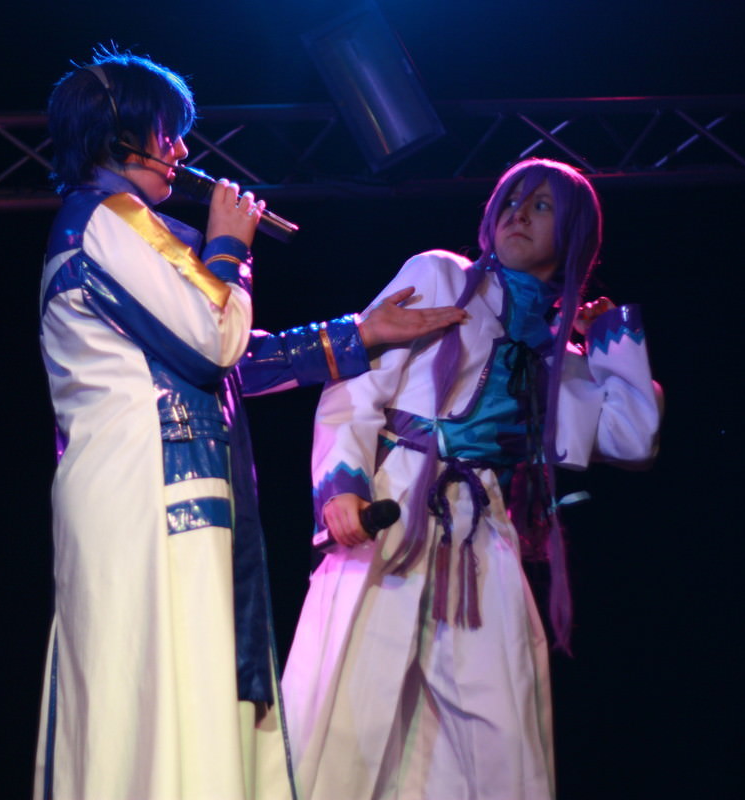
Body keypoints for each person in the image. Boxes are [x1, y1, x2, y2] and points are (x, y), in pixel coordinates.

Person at [32, 50, 466, 800]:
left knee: (182, 684)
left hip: (159, 487)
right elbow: (216, 338)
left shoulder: (119, 226)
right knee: (160, 682)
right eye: (167, 133)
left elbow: (228, 360)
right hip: (146, 491)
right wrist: (230, 243)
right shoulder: (106, 219)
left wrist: (361, 334)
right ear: (123, 132)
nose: (179, 150)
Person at [281, 158, 663, 799]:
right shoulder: (442, 277)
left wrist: (606, 336)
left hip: (478, 529)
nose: (519, 213)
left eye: (542, 206)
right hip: (394, 505)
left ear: (574, 236)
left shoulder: (557, 360)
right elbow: (358, 381)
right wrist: (342, 486)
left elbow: (634, 436)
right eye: (511, 200)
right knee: (350, 710)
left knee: (502, 727)